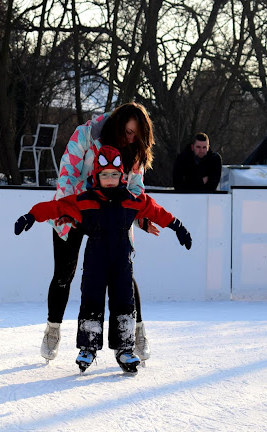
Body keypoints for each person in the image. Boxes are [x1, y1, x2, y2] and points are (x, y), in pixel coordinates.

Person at [15, 146, 192, 373]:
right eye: (105, 174)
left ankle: (125, 349)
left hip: (121, 260)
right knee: (91, 301)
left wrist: (177, 227)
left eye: (114, 174)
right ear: (96, 176)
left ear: (122, 177)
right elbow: (57, 207)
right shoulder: (85, 201)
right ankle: (88, 348)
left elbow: (156, 210)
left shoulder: (132, 200)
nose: (110, 179)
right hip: (95, 259)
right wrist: (30, 216)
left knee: (124, 302)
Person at [39, 102, 158, 365]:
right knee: (63, 273)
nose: (130, 139)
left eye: (135, 136)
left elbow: (136, 190)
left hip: (112, 215)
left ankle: (137, 331)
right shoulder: (86, 134)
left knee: (123, 273)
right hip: (75, 209)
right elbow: (67, 173)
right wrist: (69, 209)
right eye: (128, 132)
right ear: (117, 125)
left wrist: (141, 219)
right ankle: (53, 329)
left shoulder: (132, 151)